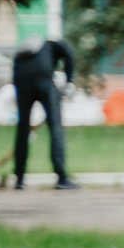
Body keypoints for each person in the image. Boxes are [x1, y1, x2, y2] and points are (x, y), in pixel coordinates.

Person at [11, 38, 79, 191]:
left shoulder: (28, 50)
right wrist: (68, 81)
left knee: (23, 128)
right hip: (43, 78)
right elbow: (69, 55)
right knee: (56, 127)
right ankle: (62, 178)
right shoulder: (55, 45)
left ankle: (19, 180)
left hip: (20, 77)